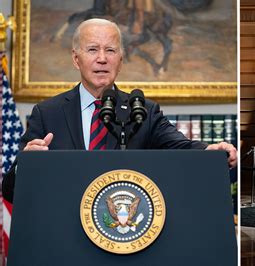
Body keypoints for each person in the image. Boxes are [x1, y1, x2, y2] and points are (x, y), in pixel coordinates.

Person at [2, 18, 237, 203]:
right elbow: (11, 192)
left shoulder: (143, 111)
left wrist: (211, 150)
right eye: (93, 49)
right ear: (76, 59)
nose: (102, 59)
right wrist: (27, 163)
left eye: (111, 51)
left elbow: (182, 147)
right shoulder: (47, 113)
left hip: (125, 231)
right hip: (65, 234)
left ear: (121, 60)